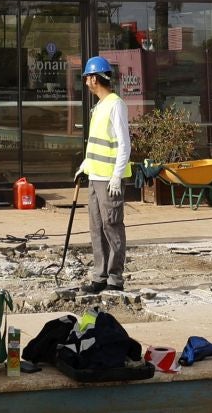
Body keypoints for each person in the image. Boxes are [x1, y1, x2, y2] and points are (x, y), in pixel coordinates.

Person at [75, 55, 131, 294]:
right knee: (97, 227)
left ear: (95, 78)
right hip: (95, 176)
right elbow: (96, 143)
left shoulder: (115, 104)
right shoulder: (98, 106)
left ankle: (115, 279)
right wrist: (85, 165)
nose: (86, 81)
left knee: (112, 225)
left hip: (109, 180)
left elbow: (124, 143)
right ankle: (100, 276)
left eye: (87, 77)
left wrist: (117, 175)